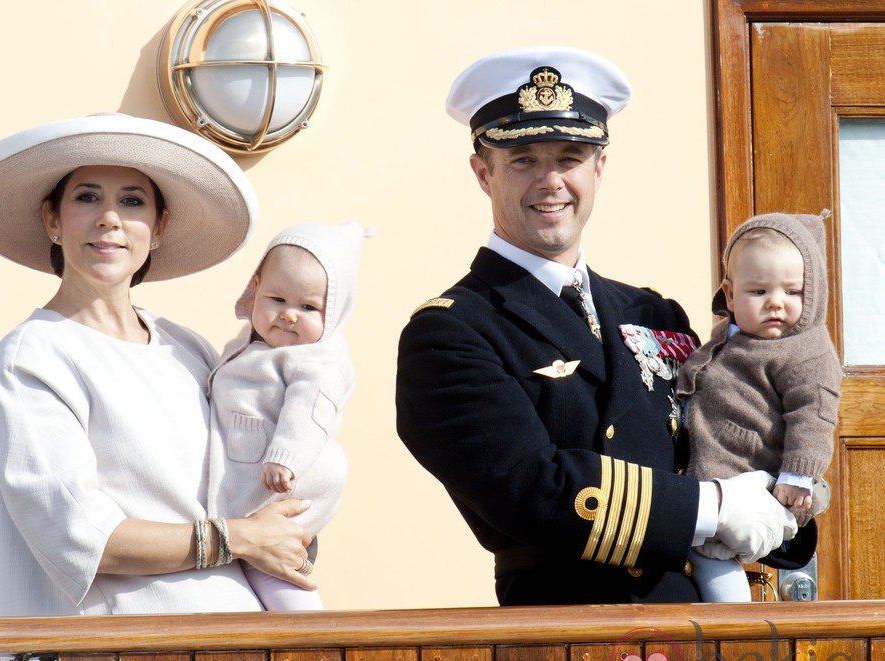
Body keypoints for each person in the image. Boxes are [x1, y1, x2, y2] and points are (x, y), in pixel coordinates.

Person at [395, 46, 798, 605]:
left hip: (702, 629)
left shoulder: (655, 314)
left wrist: (785, 497)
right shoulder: (451, 333)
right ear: (482, 174)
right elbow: (530, 488)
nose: (550, 181)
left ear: (599, 167)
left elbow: (728, 436)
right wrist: (716, 508)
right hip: (568, 640)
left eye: (569, 156)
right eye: (523, 161)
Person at [0, 113, 315, 616]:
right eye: (86, 197)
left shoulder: (186, 349)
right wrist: (241, 539)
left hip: (238, 642)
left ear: (159, 226)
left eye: (132, 201)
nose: (110, 218)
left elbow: (243, 482)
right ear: (51, 220)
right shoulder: (33, 358)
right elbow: (81, 536)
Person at [677, 212, 842, 602]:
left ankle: (735, 627)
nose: (776, 304)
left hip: (754, 477)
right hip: (713, 469)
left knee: (713, 558)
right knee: (696, 553)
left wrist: (798, 476)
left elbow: (814, 416)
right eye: (759, 292)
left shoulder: (806, 352)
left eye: (793, 292)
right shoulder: (730, 338)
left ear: (814, 293)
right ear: (730, 295)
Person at [208, 221, 368, 610]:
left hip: (287, 476)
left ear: (334, 314)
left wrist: (286, 457)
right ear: (255, 289)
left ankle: (306, 633)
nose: (289, 315)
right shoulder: (250, 345)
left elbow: (309, 411)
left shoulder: (317, 359)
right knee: (257, 562)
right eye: (277, 299)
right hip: (258, 469)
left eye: (308, 307)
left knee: (274, 568)